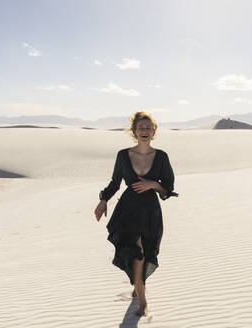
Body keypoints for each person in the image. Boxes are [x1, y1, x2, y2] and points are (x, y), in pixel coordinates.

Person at [94, 111, 178, 317]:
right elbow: (115, 183)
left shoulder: (161, 157)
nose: (145, 131)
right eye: (141, 127)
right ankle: (142, 301)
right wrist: (104, 200)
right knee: (137, 253)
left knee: (147, 251)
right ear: (134, 131)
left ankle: (138, 284)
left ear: (153, 131)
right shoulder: (123, 155)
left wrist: (153, 184)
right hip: (128, 210)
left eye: (148, 128)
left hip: (150, 213)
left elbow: (168, 188)